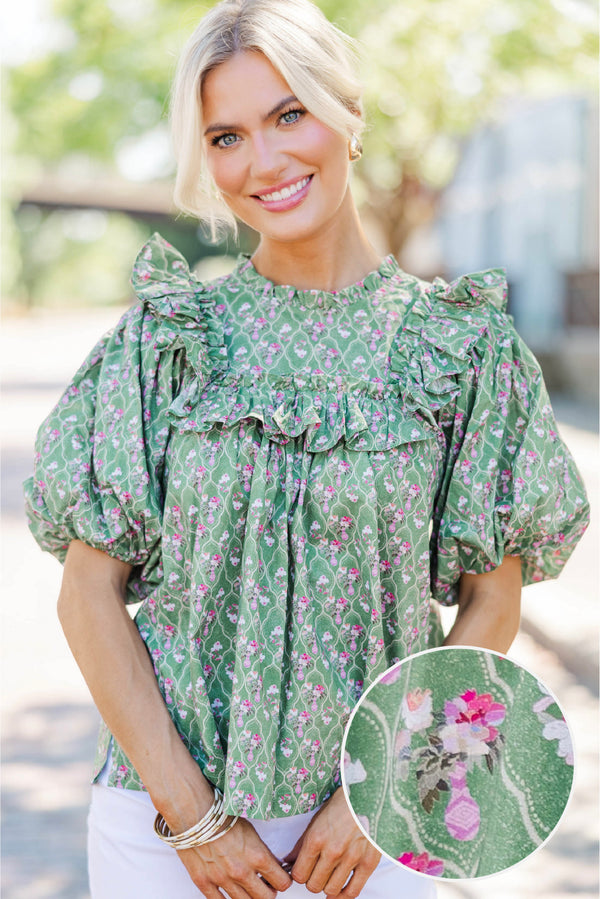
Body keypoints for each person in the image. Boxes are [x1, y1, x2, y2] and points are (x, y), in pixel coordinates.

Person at [23, 0, 589, 896]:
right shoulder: (170, 340)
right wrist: (194, 818)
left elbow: (493, 602)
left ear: (347, 113)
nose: (265, 160)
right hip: (164, 831)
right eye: (226, 136)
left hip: (379, 837)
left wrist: (385, 795)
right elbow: (88, 594)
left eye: (289, 114)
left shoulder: (464, 352)